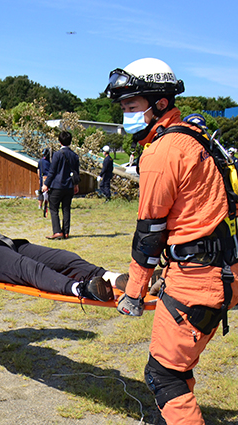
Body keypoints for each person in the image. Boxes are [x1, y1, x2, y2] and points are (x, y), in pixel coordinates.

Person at [105, 57, 238, 425]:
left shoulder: (163, 152)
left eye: (131, 106)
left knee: (163, 375)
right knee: (179, 367)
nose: (125, 115)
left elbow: (149, 234)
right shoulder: (196, 135)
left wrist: (133, 294)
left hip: (196, 282)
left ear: (158, 103)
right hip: (224, 269)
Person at [42, 131, 80, 240]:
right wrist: (76, 185)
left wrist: (46, 184)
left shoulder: (57, 154)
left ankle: (57, 231)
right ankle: (66, 232)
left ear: (59, 141)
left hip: (57, 186)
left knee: (54, 208)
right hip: (69, 186)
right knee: (66, 208)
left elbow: (52, 171)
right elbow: (76, 172)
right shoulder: (74, 155)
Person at [37, 148, 51, 216]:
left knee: (41, 192)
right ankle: (45, 205)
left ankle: (40, 205)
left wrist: (39, 178)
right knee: (47, 193)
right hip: (48, 177)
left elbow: (38, 170)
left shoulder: (40, 161)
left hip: (42, 177)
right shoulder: (50, 162)